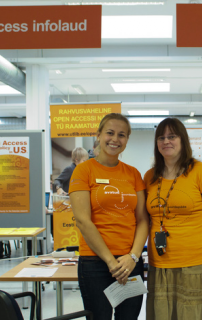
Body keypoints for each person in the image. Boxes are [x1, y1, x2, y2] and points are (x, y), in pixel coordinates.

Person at [144, 117, 202, 320]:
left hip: (196, 264)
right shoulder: (149, 177)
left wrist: (200, 246)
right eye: (161, 137)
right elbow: (144, 219)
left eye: (172, 136)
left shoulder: (200, 171)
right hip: (161, 264)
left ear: (183, 140)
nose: (166, 141)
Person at [69, 113, 149, 320]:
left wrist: (133, 257)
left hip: (130, 262)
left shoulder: (133, 174)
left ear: (127, 140)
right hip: (95, 262)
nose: (115, 139)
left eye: (121, 135)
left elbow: (142, 220)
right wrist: (110, 261)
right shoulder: (83, 171)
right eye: (110, 133)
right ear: (98, 135)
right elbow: (83, 221)